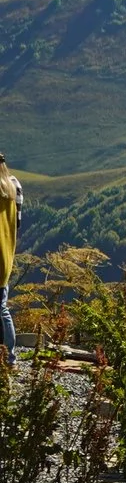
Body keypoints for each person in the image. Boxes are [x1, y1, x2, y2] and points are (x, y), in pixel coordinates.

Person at [0, 152, 20, 360]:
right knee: (2, 306)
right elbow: (18, 221)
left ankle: (9, 355)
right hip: (6, 252)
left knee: (1, 309)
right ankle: (8, 354)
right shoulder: (14, 186)